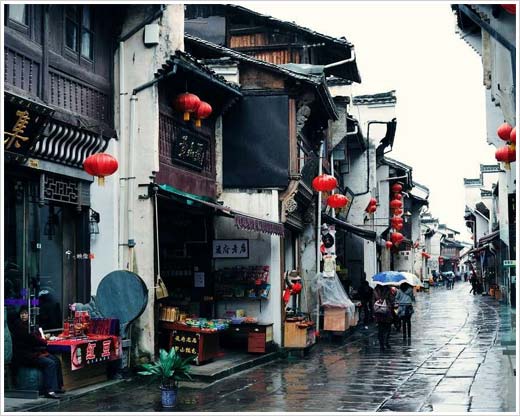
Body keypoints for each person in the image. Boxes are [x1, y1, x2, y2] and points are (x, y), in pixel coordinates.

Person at [10, 307, 65, 399]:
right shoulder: (19, 325)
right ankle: (49, 390)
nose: (23, 315)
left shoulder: (30, 324)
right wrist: (44, 340)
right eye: (22, 314)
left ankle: (57, 387)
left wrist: (43, 339)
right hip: (25, 355)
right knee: (50, 363)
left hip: (34, 352)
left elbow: (36, 337)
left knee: (56, 360)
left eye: (25, 313)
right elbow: (33, 338)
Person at [373, 285, 395, 351]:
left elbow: (372, 302)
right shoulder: (388, 290)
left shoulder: (375, 290)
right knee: (388, 328)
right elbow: (392, 300)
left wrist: (373, 312)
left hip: (378, 312)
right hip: (387, 312)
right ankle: (386, 342)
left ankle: (381, 345)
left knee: (380, 329)